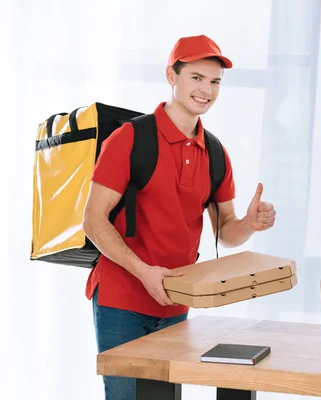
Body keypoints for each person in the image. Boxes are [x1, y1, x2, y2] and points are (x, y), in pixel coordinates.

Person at [82, 34, 276, 400]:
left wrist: (249, 224)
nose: (207, 90)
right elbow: (93, 221)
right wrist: (144, 272)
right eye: (197, 78)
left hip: (175, 302)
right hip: (122, 299)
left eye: (215, 81)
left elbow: (226, 232)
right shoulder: (129, 139)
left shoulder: (215, 152)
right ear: (172, 76)